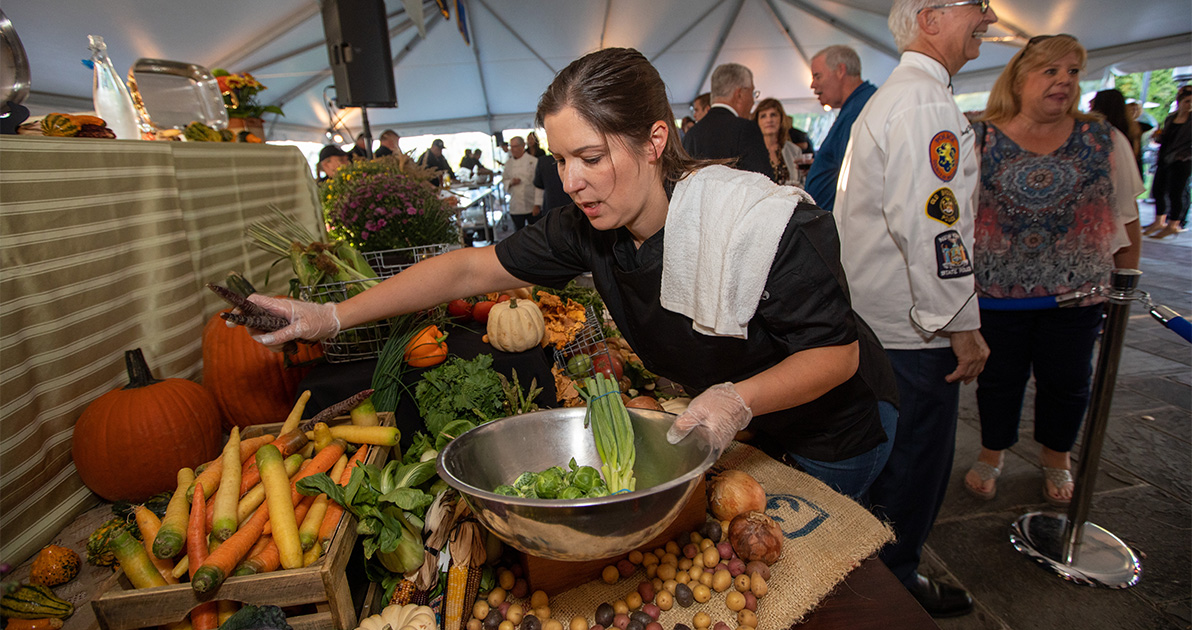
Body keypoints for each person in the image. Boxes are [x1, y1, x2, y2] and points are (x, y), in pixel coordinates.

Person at [238, 47, 899, 504]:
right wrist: (332, 316)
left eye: (590, 155)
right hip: (753, 429)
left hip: (837, 430)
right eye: (560, 159)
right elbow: (467, 266)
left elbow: (835, 354)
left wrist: (735, 400)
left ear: (654, 141)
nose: (572, 181)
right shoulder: (590, 226)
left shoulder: (760, 221)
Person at [834, 0, 999, 618]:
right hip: (912, 333)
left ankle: (876, 583)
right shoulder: (924, 103)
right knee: (912, 470)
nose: (986, 15)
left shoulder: (895, 98)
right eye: (975, 6)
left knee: (891, 465)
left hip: (881, 323)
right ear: (931, 18)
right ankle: (894, 592)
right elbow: (938, 231)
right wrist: (962, 327)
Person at [961, 34, 1143, 507]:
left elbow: (1125, 216)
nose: (1063, 80)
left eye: (1073, 72)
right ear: (1020, 79)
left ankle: (1057, 455)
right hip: (997, 294)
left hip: (1077, 293)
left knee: (1067, 380)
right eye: (1050, 71)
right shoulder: (979, 136)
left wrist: (1127, 283)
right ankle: (992, 450)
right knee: (999, 379)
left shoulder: (1103, 138)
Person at [804, 45, 877, 211]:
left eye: (817, 76)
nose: (812, 85)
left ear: (840, 70)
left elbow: (857, 178)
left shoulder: (858, 112)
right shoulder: (856, 106)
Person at [682, 64, 774, 179]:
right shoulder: (746, 130)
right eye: (752, 94)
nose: (752, 102)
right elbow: (764, 182)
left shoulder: (691, 135)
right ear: (739, 94)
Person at [1144, 85, 1192, 238]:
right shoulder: (1171, 118)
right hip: (1165, 158)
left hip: (1182, 161)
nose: (1189, 105)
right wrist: (1159, 137)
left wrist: (1184, 155)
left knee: (1176, 192)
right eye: (1187, 101)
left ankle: (1174, 223)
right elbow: (1167, 138)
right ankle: (1159, 220)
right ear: (1179, 102)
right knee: (1158, 189)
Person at [752, 98, 802, 186]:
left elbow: (802, 182)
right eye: (763, 116)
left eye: (773, 115)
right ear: (757, 121)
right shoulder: (751, 150)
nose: (769, 120)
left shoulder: (794, 150)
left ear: (781, 119)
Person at [503, 136, 541, 230]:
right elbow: (504, 180)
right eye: (511, 147)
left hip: (531, 203)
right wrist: (511, 182)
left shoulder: (533, 161)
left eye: (515, 146)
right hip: (516, 206)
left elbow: (539, 184)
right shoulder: (508, 164)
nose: (513, 149)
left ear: (523, 146)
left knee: (536, 232)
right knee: (518, 233)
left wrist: (537, 204)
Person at [532, 152, 567, 216]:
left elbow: (539, 186)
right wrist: (537, 204)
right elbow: (539, 186)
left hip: (551, 207)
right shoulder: (543, 161)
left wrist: (537, 204)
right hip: (558, 206)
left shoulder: (543, 161)